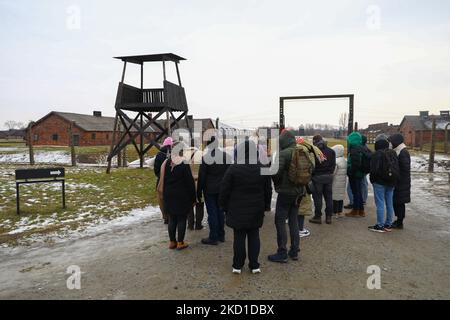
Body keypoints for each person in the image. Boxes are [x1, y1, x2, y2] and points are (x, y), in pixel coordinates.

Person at [219, 140, 272, 274]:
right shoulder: (263, 167)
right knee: (254, 235)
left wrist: (223, 206)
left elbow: (224, 189)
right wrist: (266, 205)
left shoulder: (233, 168)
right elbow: (268, 190)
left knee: (239, 237)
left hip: (237, 208)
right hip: (256, 208)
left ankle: (237, 265)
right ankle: (254, 265)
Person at [268, 129, 303, 263]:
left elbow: (275, 173)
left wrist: (277, 183)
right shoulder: (301, 151)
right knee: (293, 221)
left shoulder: (284, 153)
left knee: (280, 221)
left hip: (286, 192)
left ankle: (282, 252)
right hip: (299, 192)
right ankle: (294, 250)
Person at [158, 142, 196, 250]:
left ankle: (172, 242)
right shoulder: (184, 164)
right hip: (181, 195)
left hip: (169, 194)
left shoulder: (167, 162)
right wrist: (193, 198)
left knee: (172, 218)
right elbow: (190, 183)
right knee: (181, 219)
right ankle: (180, 242)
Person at [197, 136, 232, 245]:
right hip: (222, 189)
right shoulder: (226, 157)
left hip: (210, 189)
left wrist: (198, 191)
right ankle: (221, 235)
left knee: (212, 213)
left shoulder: (206, 158)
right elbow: (230, 174)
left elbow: (202, 176)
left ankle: (213, 237)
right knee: (220, 212)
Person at [368, 137, 399, 232]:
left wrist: (373, 180)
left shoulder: (376, 154)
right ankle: (388, 224)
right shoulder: (393, 153)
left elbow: (373, 170)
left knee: (380, 203)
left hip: (379, 182)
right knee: (389, 203)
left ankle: (380, 225)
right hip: (392, 181)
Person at [309, 135, 336, 225]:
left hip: (317, 177)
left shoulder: (313, 152)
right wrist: (330, 173)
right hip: (328, 176)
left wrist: (312, 175)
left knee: (317, 198)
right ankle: (328, 217)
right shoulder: (331, 151)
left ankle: (318, 216)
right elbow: (333, 165)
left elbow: (311, 166)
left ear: (315, 142)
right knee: (329, 197)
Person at [389, 133, 411, 229]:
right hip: (398, 181)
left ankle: (400, 221)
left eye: (391, 142)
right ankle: (398, 220)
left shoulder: (403, 152)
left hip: (401, 182)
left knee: (399, 202)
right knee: (396, 201)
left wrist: (395, 171)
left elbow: (405, 168)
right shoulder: (398, 151)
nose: (390, 143)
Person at [345, 132, 369, 217]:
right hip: (361, 173)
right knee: (359, 191)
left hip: (355, 174)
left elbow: (355, 163)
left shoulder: (354, 149)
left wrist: (350, 172)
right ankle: (361, 210)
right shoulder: (363, 147)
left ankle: (355, 210)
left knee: (356, 192)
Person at [154, 137, 173, 224]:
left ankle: (165, 217)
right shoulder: (174, 154)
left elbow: (156, 170)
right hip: (172, 181)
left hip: (162, 181)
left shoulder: (159, 154)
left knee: (162, 199)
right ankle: (172, 215)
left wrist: (161, 176)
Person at [332, 144, 347, 218]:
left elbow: (333, 172)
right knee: (340, 197)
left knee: (334, 197)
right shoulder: (344, 160)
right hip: (342, 182)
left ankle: (335, 212)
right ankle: (340, 212)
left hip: (335, 182)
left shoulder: (336, 161)